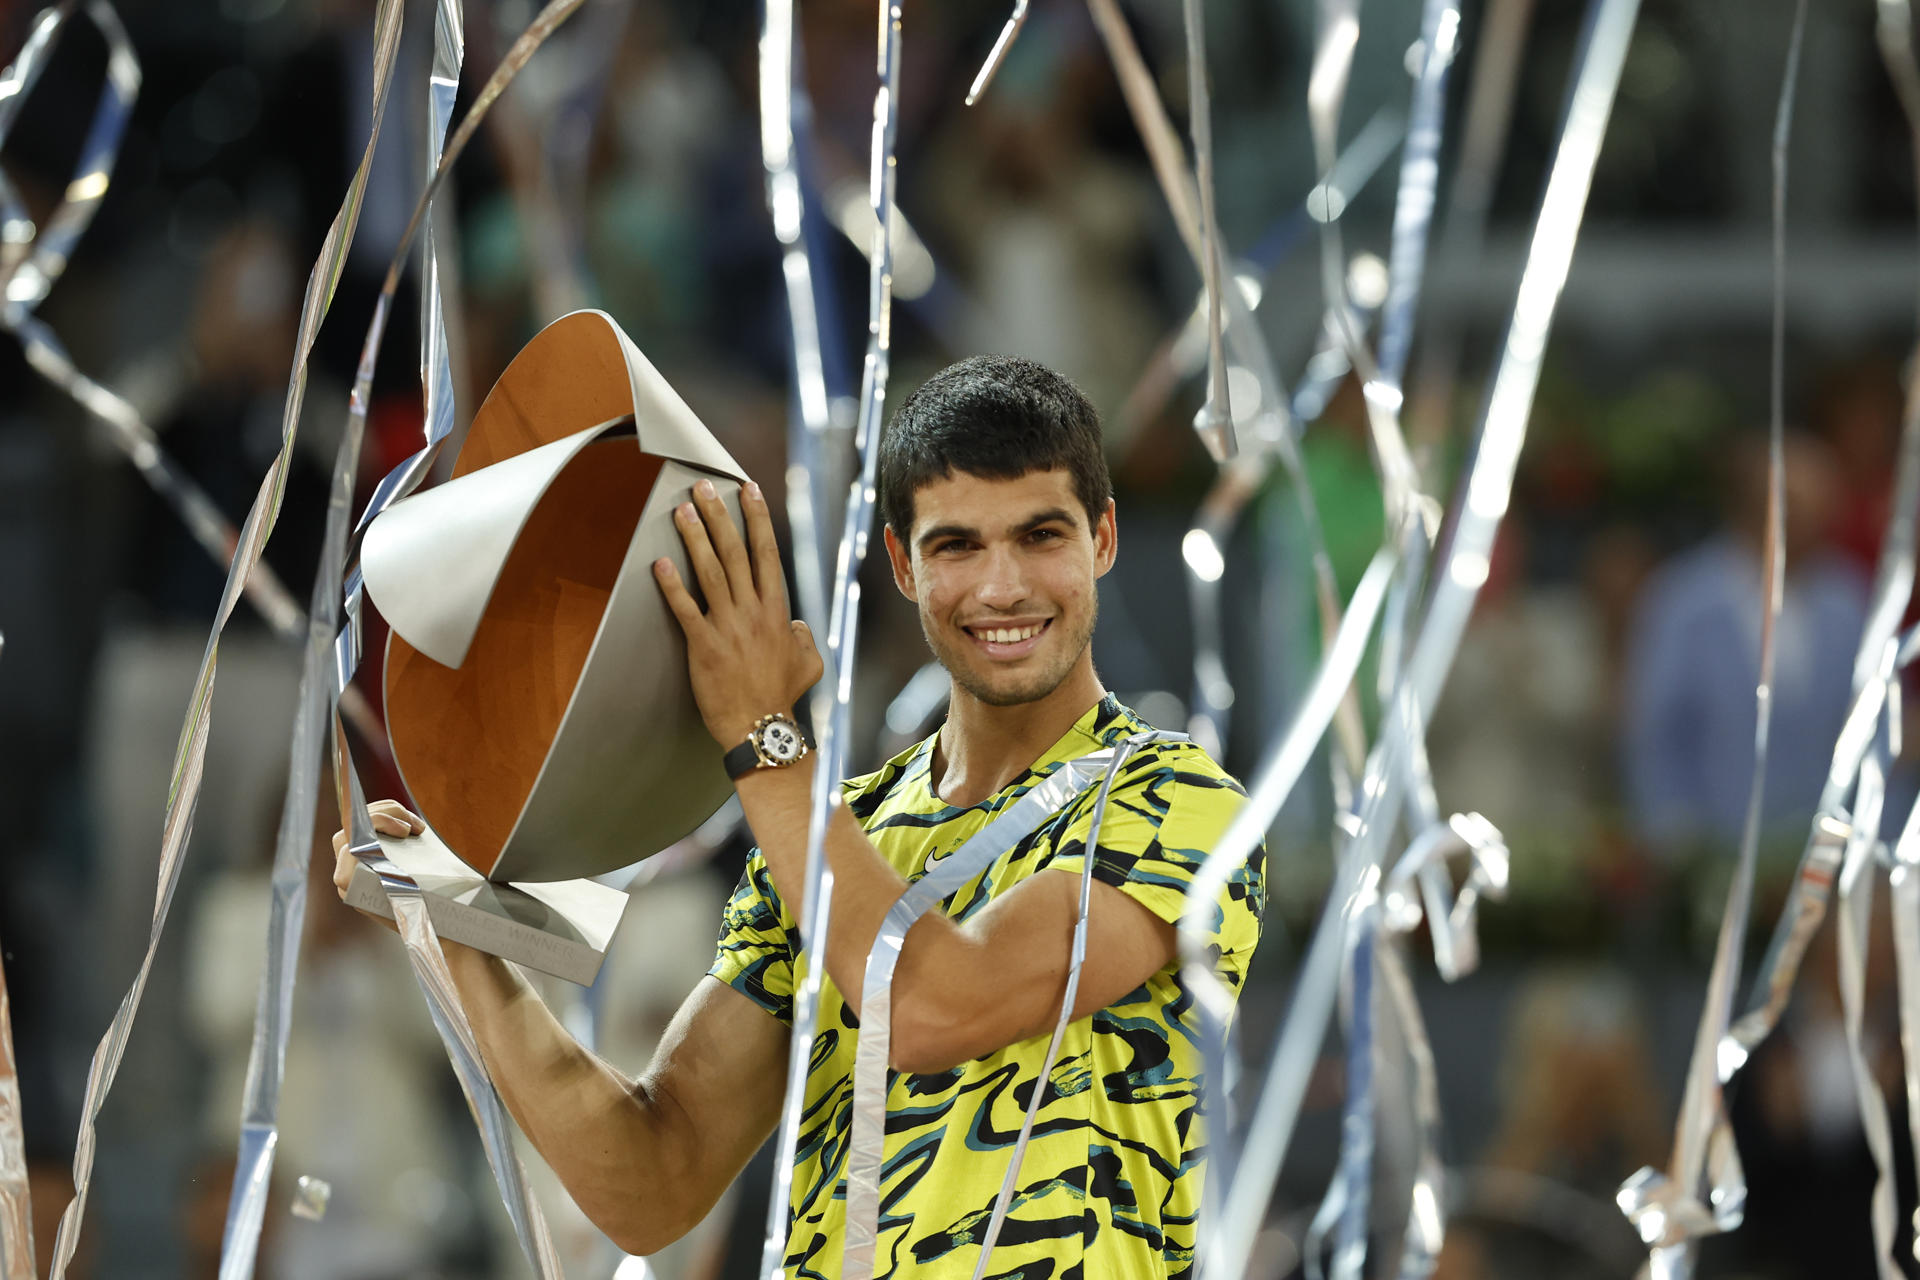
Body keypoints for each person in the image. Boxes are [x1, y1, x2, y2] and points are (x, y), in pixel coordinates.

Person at [333, 354, 1265, 1276]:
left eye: (1040, 536)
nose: (1002, 587)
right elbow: (652, 1184)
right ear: (901, 562)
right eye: (956, 546)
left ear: (1102, 539)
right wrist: (456, 934)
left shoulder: (1179, 803)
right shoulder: (829, 833)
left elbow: (931, 1007)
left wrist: (762, 735)